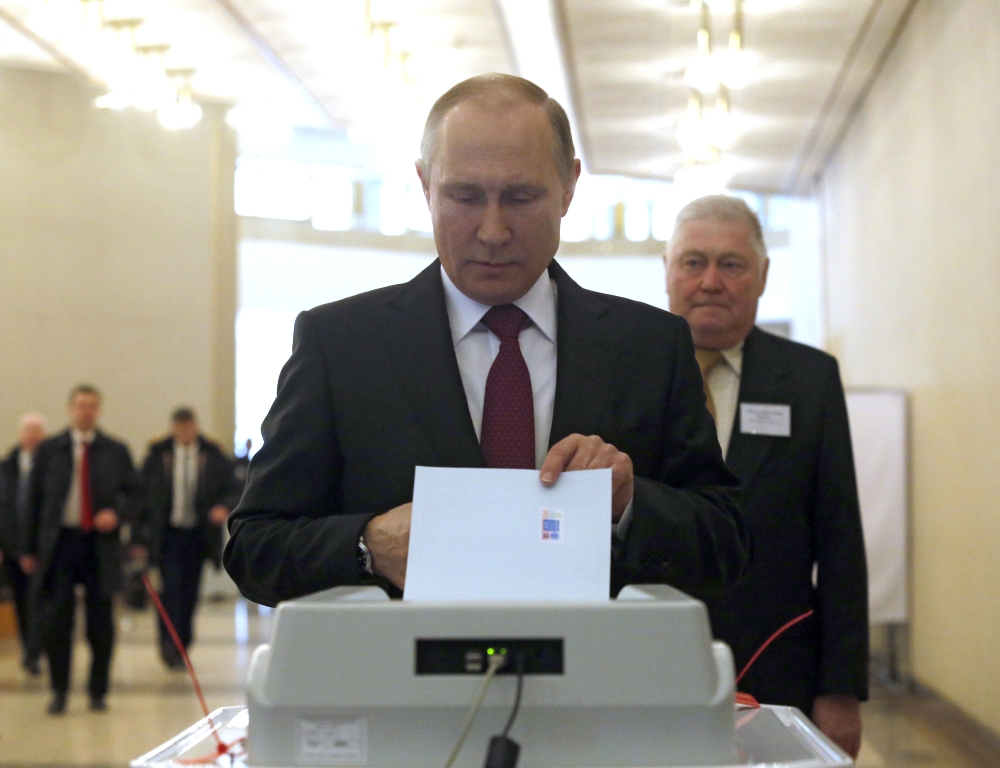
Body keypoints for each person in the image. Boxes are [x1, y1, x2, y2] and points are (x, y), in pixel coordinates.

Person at [225, 74, 750, 607]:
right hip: (395, 684)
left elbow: (727, 542)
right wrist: (369, 545)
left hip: (598, 682)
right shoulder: (342, 345)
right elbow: (255, 548)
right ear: (425, 184)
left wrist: (630, 502)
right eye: (465, 197)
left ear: (569, 187)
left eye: (520, 197)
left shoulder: (649, 347)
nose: (493, 231)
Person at [663, 195, 868, 758]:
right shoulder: (625, 373)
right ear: (667, 271)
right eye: (692, 262)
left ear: (763, 276)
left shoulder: (809, 380)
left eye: (731, 265)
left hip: (777, 664)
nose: (710, 281)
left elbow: (840, 538)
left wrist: (841, 687)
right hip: (650, 659)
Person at [21, 385, 140, 715]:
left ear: (98, 410)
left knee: (101, 622)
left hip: (99, 546)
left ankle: (97, 691)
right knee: (57, 621)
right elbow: (32, 501)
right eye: (80, 405)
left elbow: (136, 495)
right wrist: (28, 548)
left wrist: (116, 514)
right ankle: (59, 690)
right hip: (59, 545)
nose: (86, 411)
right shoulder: (49, 450)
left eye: (92, 406)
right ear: (70, 408)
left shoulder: (115, 450)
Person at [136, 408, 238, 668]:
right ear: (173, 428)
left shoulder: (212, 455)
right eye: (179, 428)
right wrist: (139, 537)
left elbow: (233, 489)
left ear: (195, 427)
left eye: (188, 427)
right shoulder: (158, 455)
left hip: (198, 536)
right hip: (167, 536)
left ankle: (184, 640)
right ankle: (169, 644)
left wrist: (222, 507)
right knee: (170, 590)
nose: (184, 433)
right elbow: (142, 496)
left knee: (190, 592)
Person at [0, 412, 48, 675]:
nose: (32, 436)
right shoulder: (6, 466)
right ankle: (28, 649)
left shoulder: (52, 465)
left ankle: (36, 648)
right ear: (20, 435)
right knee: (20, 600)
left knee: (40, 599)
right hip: (12, 547)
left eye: (37, 431)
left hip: (43, 548)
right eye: (28, 431)